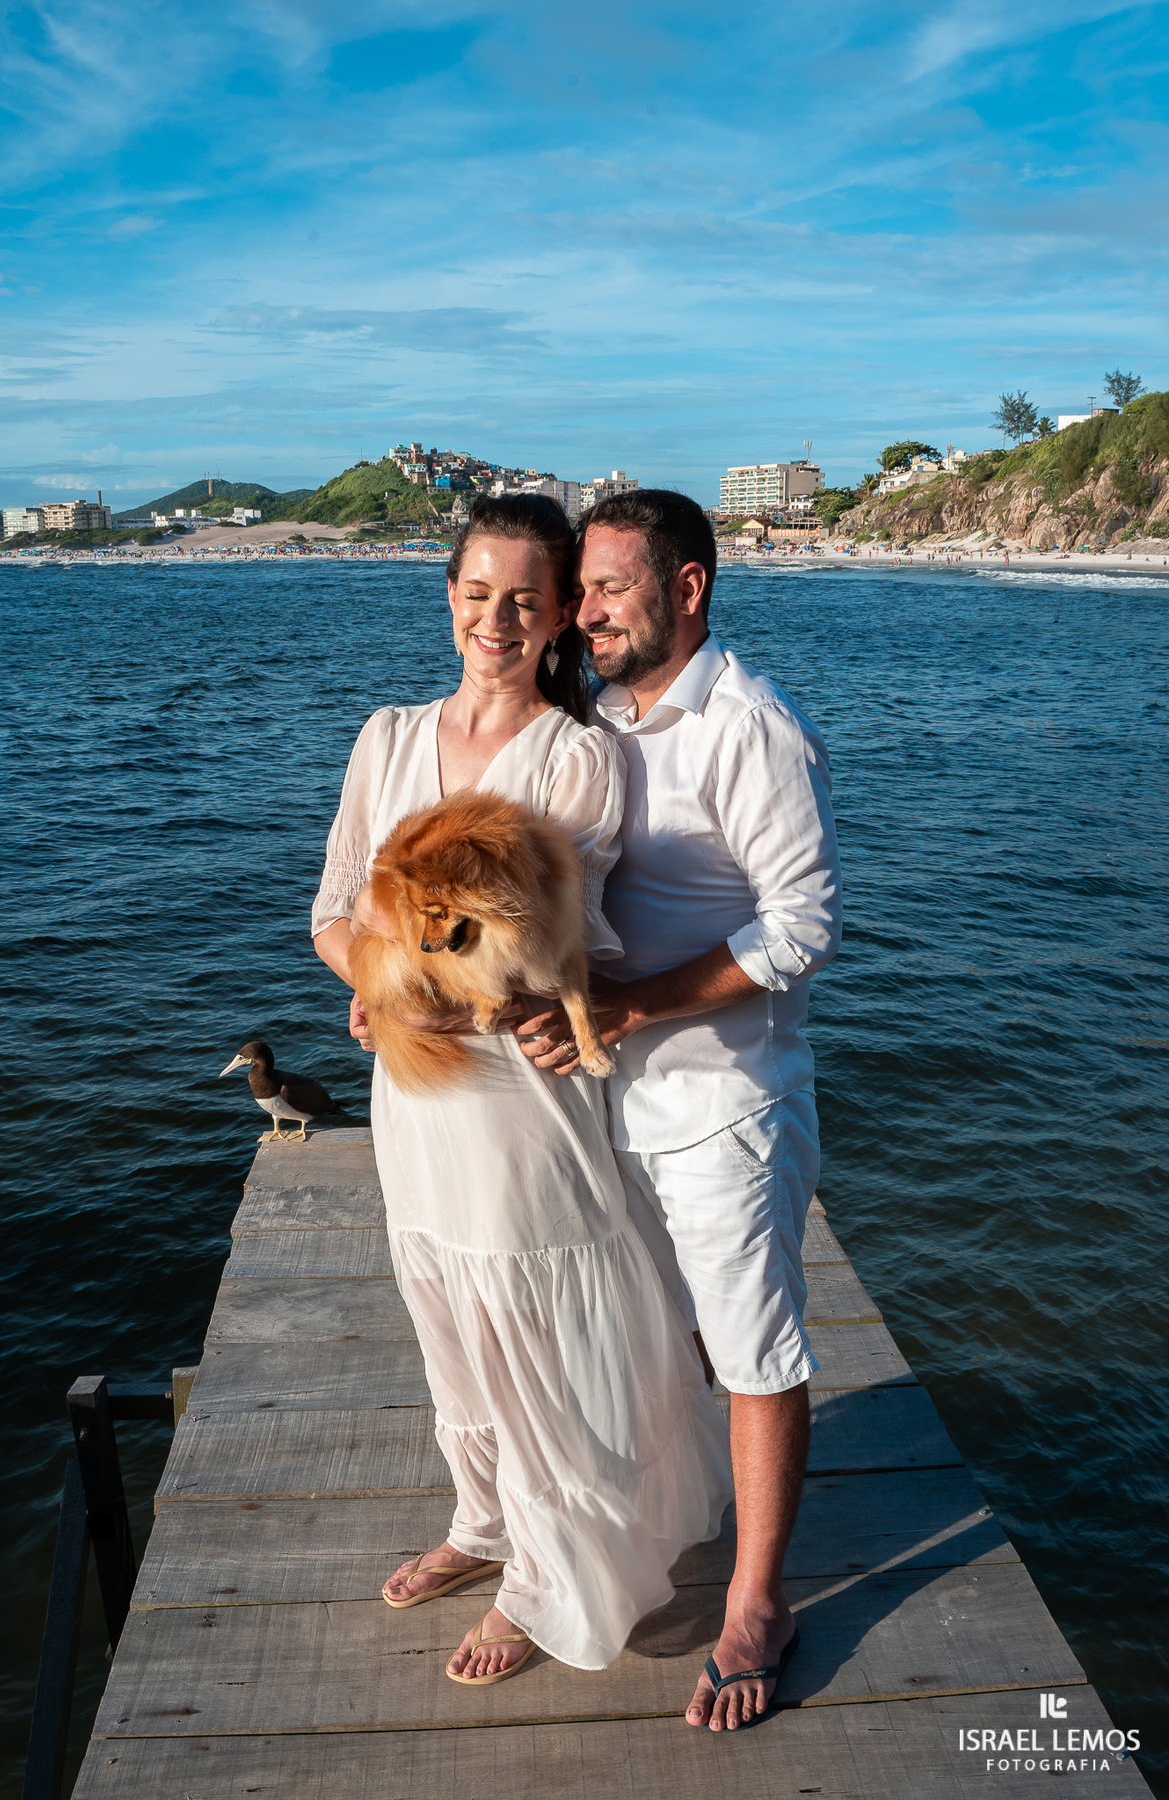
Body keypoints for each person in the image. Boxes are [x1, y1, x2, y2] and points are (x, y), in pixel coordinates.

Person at [313, 494, 732, 1686]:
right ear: (448, 596)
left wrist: (417, 980)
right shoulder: (386, 735)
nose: (497, 618)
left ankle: (550, 1576)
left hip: (519, 1089)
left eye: (526, 601)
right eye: (478, 592)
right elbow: (335, 908)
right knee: (447, 1315)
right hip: (417, 1091)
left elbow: (554, 947)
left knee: (532, 1326)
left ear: (556, 620)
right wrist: (383, 981)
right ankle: (484, 1521)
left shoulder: (576, 754)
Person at [518, 490, 841, 1732]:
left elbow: (803, 926)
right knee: (668, 1336)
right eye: (580, 591)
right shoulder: (596, 714)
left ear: (689, 588)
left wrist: (635, 1005)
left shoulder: (749, 727)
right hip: (612, 1098)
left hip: (727, 1102)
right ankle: (671, 1523)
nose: (582, 612)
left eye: (606, 588)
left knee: (753, 1350)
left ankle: (760, 1601)